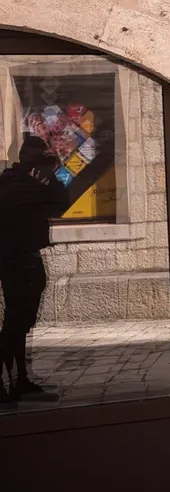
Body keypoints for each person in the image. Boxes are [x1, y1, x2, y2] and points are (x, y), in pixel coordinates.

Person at [0, 134, 74, 404]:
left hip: (13, 260)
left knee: (18, 323)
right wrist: (50, 174)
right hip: (22, 261)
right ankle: (12, 381)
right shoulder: (23, 185)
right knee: (17, 323)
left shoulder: (10, 181)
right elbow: (61, 201)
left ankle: (19, 379)